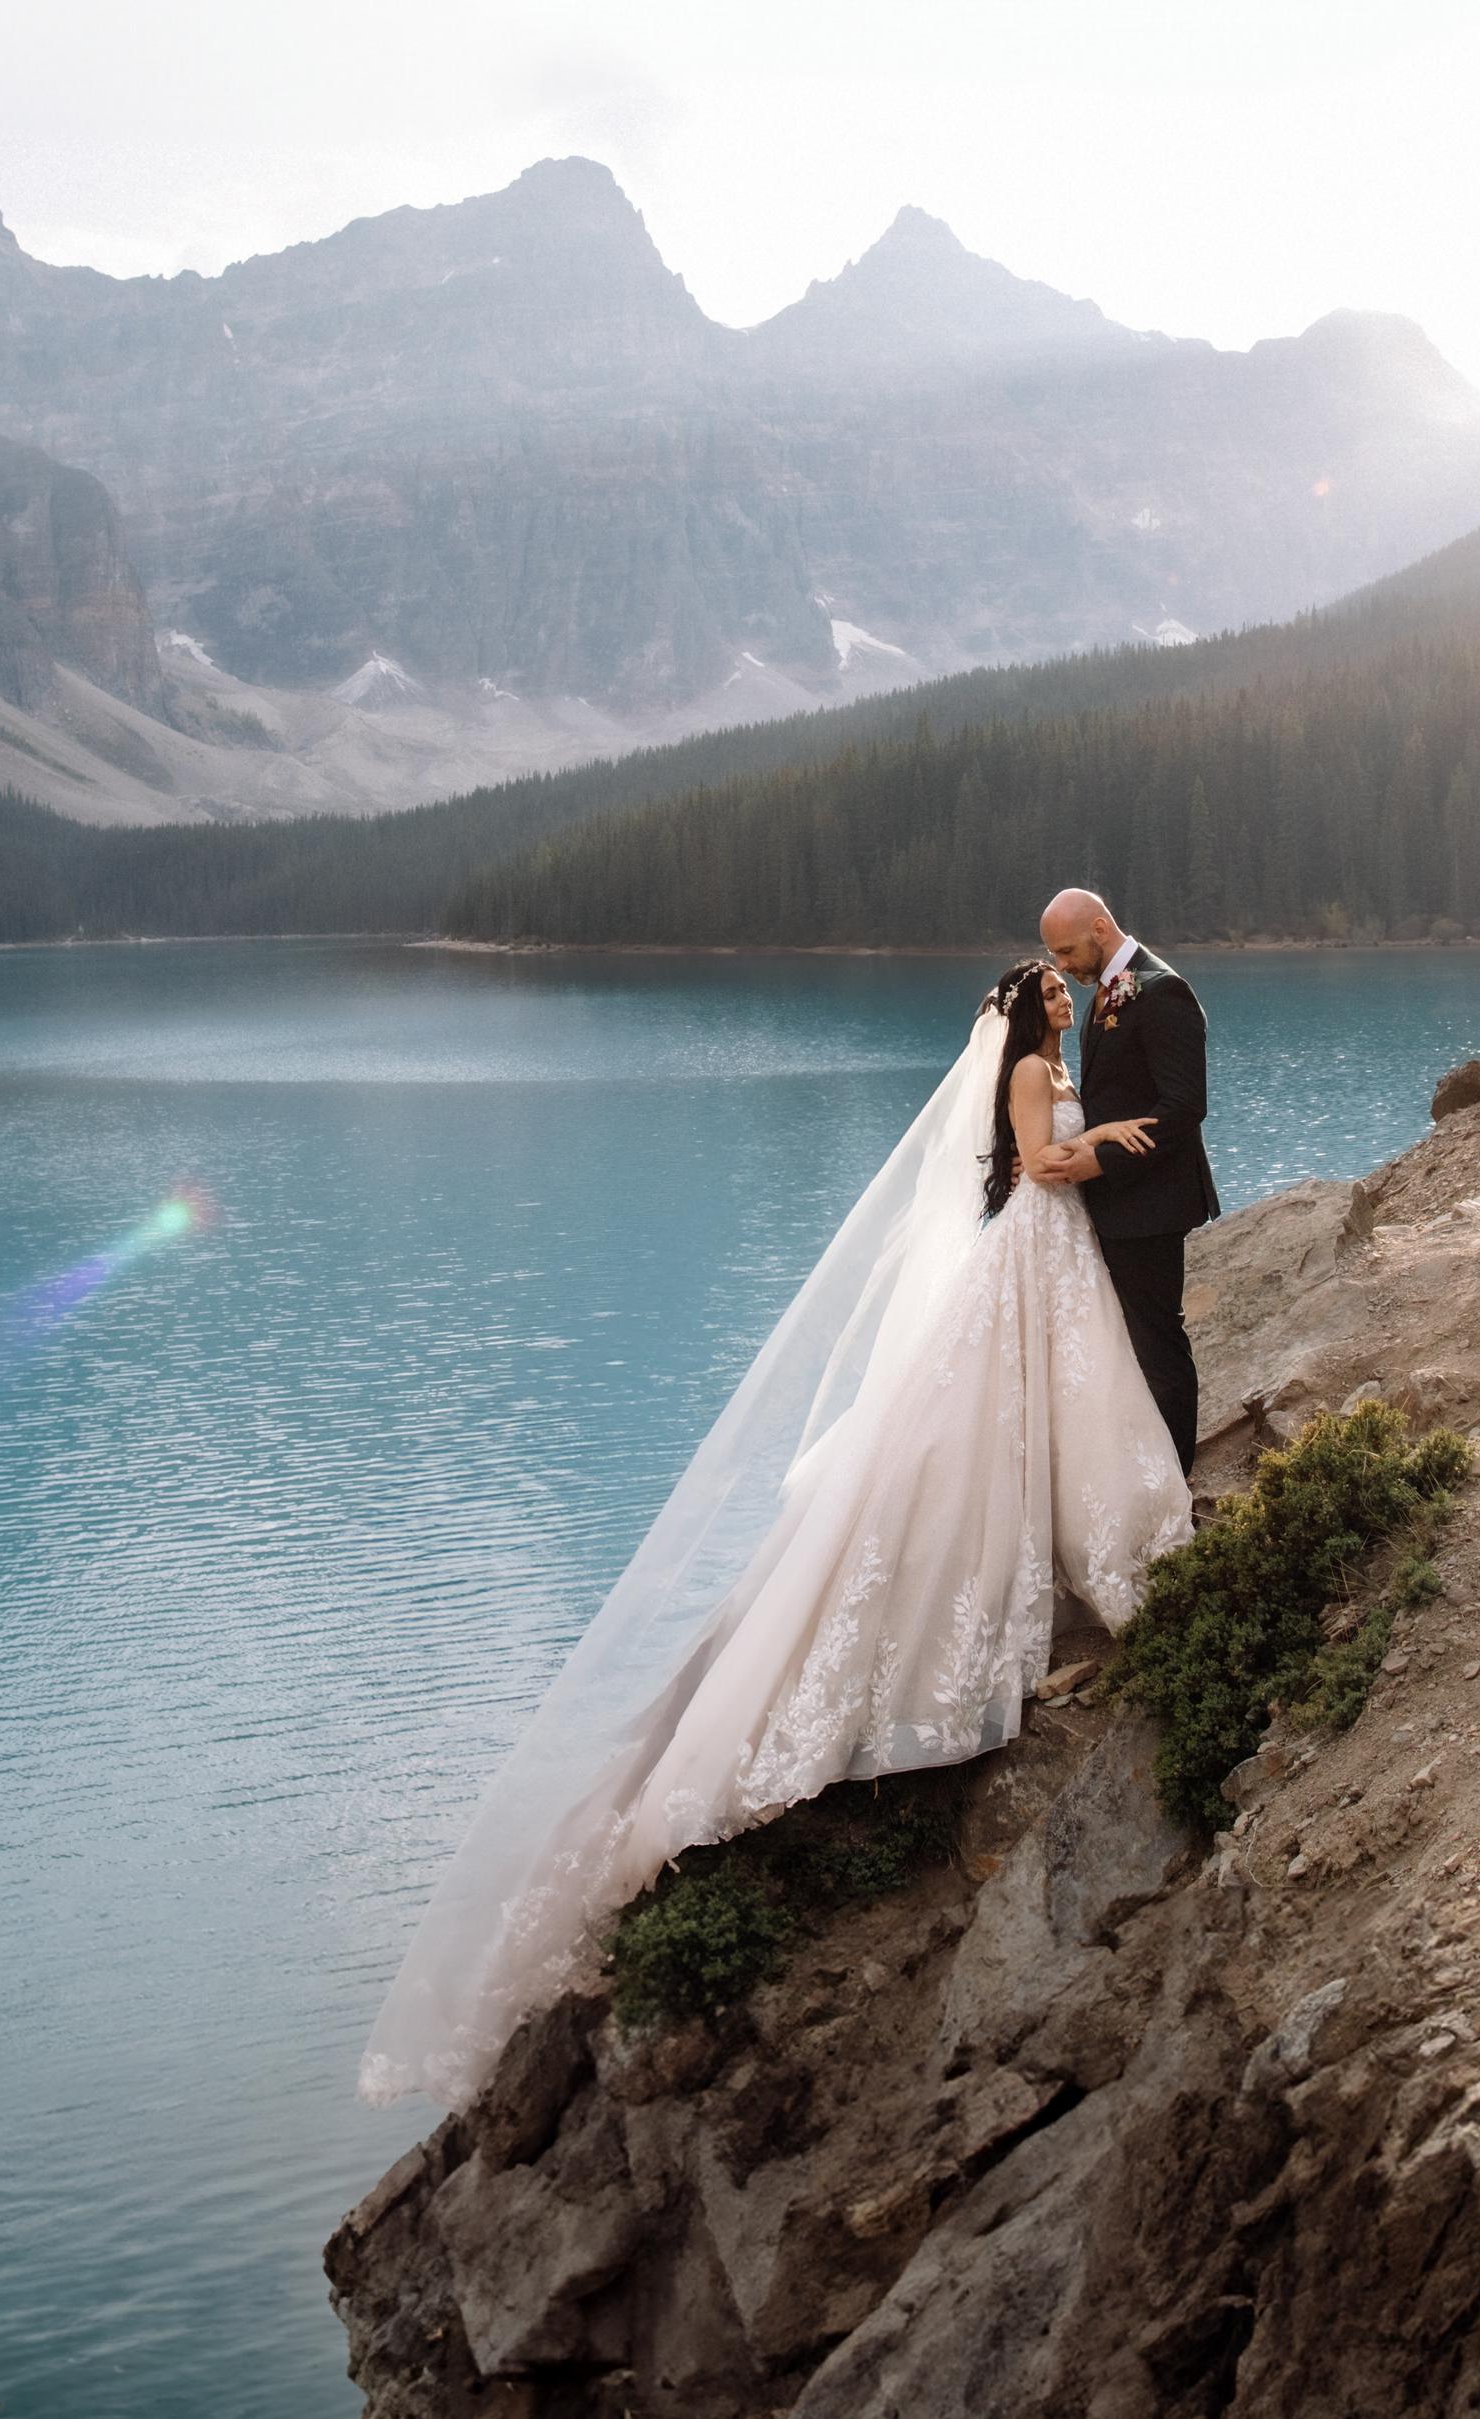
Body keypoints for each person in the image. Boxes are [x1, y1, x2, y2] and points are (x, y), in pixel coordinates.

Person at [360, 960, 1193, 2108]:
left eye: (1063, 986)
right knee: (1012, 1415)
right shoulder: (1039, 1072)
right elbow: (1044, 1163)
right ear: (1026, 1013)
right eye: (1050, 988)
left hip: (1045, 1253)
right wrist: (1113, 1143)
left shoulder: (1043, 1060)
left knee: (1043, 1404)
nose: (1063, 997)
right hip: (1038, 1245)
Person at [1038, 887, 1220, 1466]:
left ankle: (1175, 1488)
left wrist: (1101, 1162)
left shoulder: (1163, 991)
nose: (1062, 967)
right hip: (1114, 1203)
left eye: (1066, 952)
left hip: (1151, 1205)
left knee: (1158, 1347)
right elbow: (1108, 1101)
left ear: (1099, 929)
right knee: (1127, 1346)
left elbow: (1185, 1106)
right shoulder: (1106, 994)